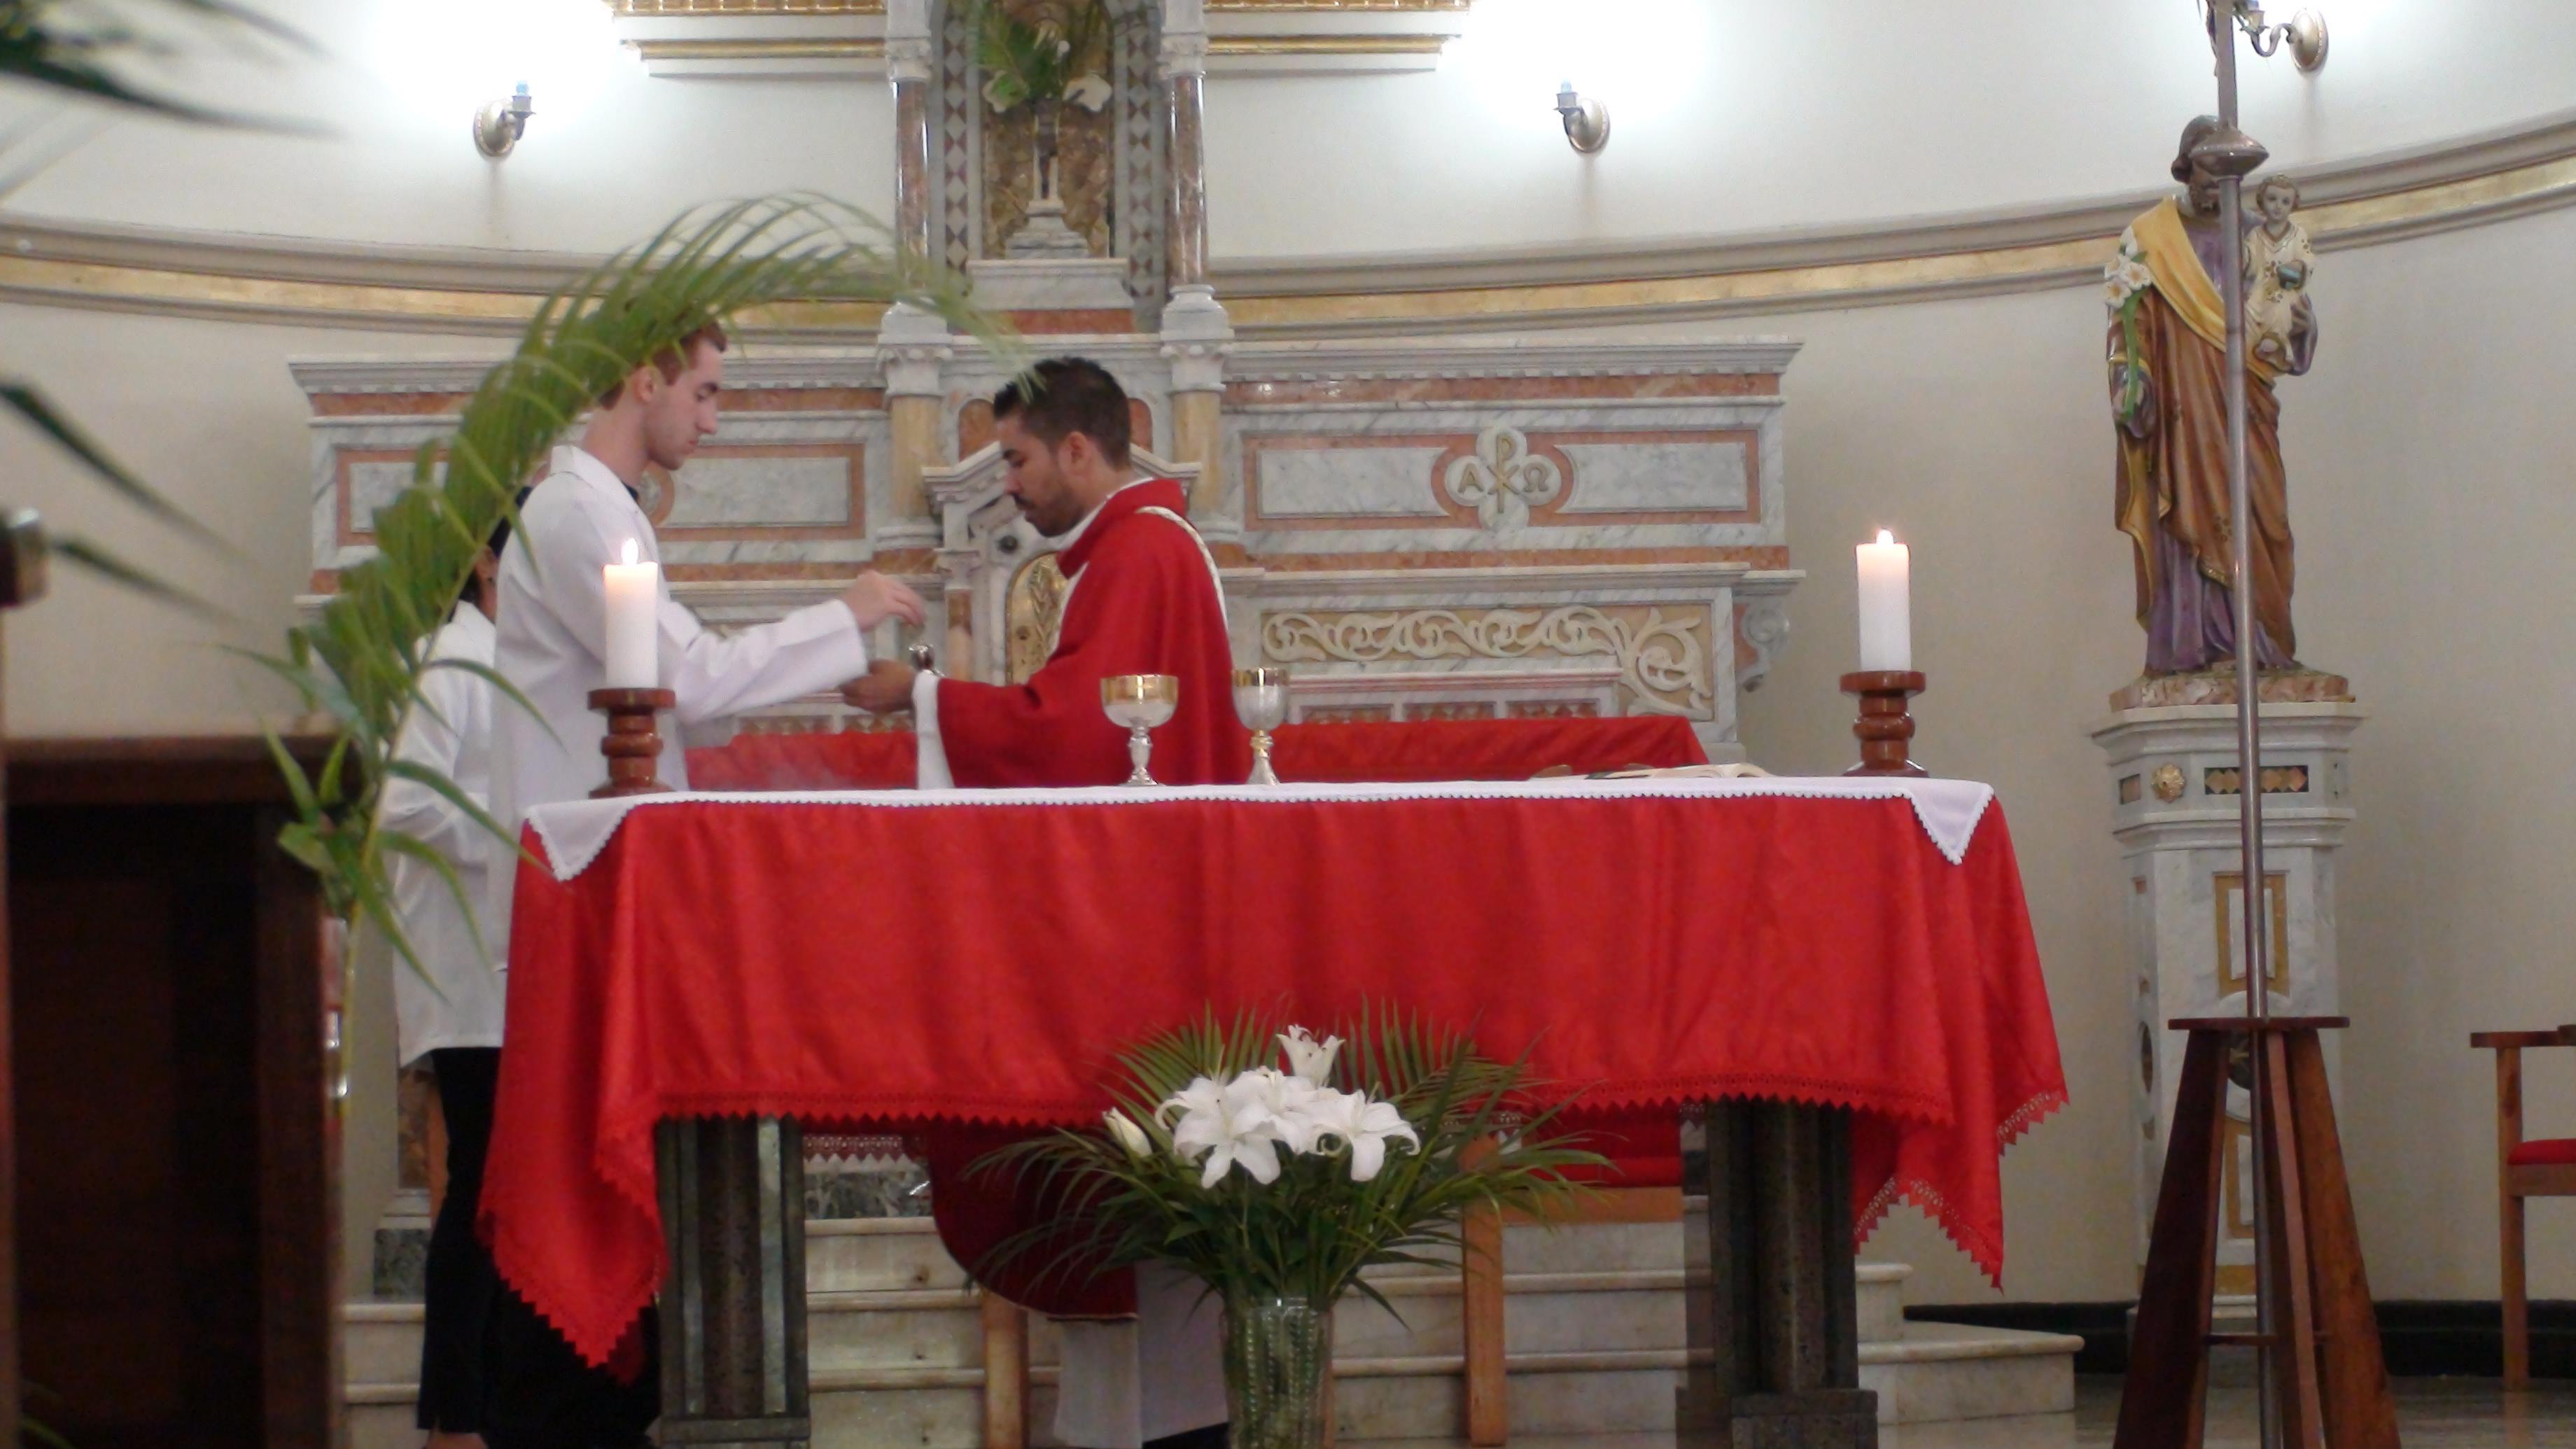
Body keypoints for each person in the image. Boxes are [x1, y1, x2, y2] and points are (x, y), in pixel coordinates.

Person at [482, 318, 925, 1448]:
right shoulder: (575, 514)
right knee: (573, 1201)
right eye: (708, 393)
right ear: (645, 379)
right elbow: (683, 678)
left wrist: (821, 659)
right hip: (579, 888)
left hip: (615, 880)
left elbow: (685, 695)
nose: (715, 420)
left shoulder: (611, 513)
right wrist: (846, 615)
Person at [844, 357, 1244, 1449]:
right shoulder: (1141, 547)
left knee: (1133, 1205)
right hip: (1153, 908)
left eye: (1018, 458)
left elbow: (1071, 733)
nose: (1010, 483)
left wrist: (923, 694)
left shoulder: (1140, 552)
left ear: (1077, 447)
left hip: (1134, 933)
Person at [382, 518, 511, 1449]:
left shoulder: (509, 659)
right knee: (481, 1183)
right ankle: (455, 1419)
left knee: (499, 1187)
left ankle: (480, 1408)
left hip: (506, 965)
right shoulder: (450, 661)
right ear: (486, 560)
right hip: (467, 967)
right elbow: (406, 804)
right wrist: (514, 833)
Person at [2105, 116, 2319, 676]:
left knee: (2266, 518)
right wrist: (2132, 382)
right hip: (2186, 408)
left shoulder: (2261, 237)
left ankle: (2265, 643)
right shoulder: (2152, 238)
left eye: (2225, 174)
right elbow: (2130, 325)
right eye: (2204, 172)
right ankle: (2198, 645)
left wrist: (2299, 327)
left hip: (2247, 401)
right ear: (2185, 169)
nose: (2213, 184)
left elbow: (2286, 315)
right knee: (2192, 509)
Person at [2244, 174, 2314, 371]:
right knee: (2249, 307)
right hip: (2262, 285)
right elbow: (2250, 261)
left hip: (2286, 285)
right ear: (2262, 202)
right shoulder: (2256, 234)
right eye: (2272, 199)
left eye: (2285, 202)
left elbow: (2307, 257)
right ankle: (2253, 346)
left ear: (2293, 205)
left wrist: (2299, 265)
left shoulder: (2297, 234)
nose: (2278, 206)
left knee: (2280, 303)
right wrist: (2244, 256)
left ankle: (2276, 339)